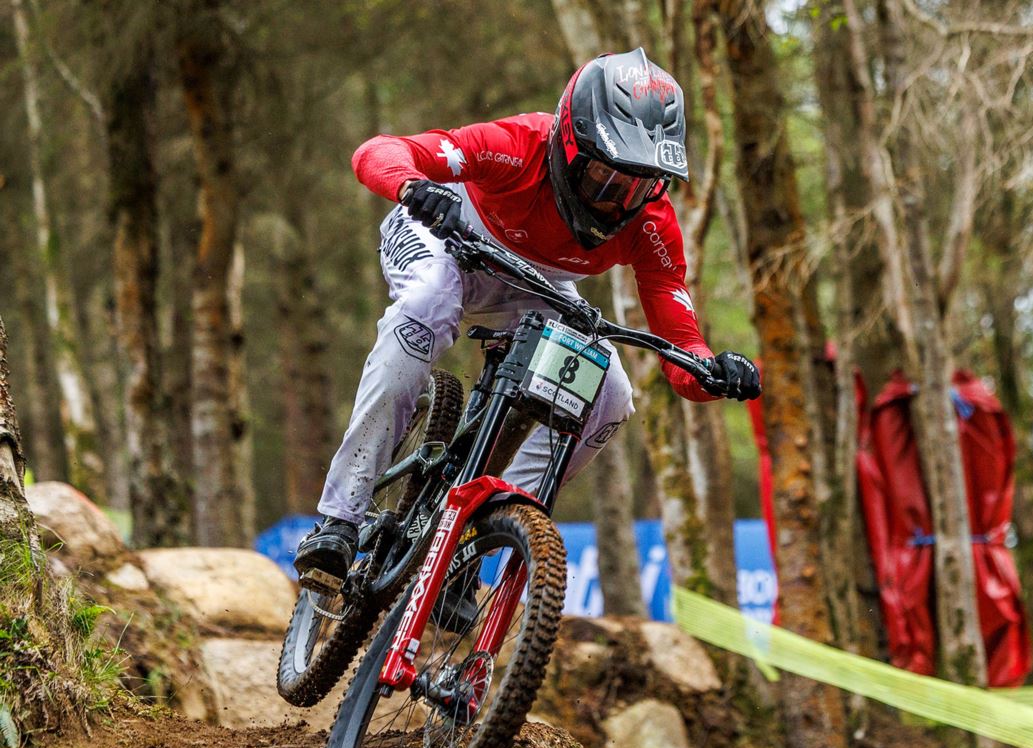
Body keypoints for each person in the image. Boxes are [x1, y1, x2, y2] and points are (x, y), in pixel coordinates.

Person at [294, 48, 761, 586]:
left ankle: (473, 538)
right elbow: (378, 151)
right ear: (568, 144)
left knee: (610, 396)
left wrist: (714, 373)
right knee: (426, 306)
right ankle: (340, 518)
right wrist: (411, 186)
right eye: (605, 178)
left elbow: (680, 348)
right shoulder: (515, 146)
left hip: (535, 285)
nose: (617, 201)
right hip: (445, 235)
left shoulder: (651, 220)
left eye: (638, 183)